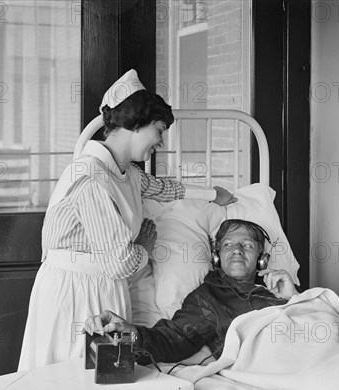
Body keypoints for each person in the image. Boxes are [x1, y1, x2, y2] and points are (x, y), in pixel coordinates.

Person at [18, 70, 237, 370]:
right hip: (74, 292)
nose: (160, 141)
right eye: (159, 130)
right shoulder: (91, 178)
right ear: (136, 123)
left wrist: (213, 194)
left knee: (107, 388)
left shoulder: (126, 173)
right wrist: (144, 246)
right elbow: (119, 262)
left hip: (105, 289)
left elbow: (164, 189)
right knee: (69, 383)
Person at [85, 219, 299, 363]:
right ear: (216, 257)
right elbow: (170, 340)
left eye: (247, 245)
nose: (237, 250)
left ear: (262, 259)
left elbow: (318, 322)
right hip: (269, 365)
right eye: (228, 245)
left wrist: (294, 299)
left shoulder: (279, 288)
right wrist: (128, 331)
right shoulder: (208, 297)